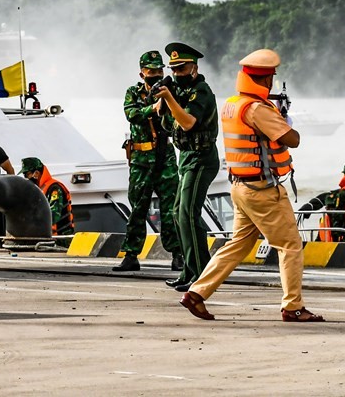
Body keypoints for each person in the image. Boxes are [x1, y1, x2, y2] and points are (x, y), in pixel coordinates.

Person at [180, 49, 324, 322]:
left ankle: (196, 293)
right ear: (266, 80)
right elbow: (291, 139)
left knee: (239, 244)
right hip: (262, 190)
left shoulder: (234, 104)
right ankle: (293, 306)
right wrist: (285, 120)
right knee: (290, 245)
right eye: (270, 77)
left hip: (240, 187)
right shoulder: (258, 109)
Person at [155, 42, 220, 291]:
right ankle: (188, 271)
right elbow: (167, 126)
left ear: (194, 67)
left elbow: (188, 123)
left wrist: (169, 98)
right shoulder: (178, 92)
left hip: (202, 158)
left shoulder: (200, 91)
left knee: (189, 215)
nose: (178, 74)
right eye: (174, 70)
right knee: (177, 214)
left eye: (182, 69)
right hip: (186, 158)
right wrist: (162, 104)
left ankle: (201, 275)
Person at [113, 50, 182, 272]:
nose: (155, 74)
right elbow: (131, 114)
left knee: (171, 209)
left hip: (165, 158)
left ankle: (177, 254)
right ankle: (131, 254)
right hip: (141, 159)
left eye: (158, 71)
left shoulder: (169, 91)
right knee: (137, 209)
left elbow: (175, 120)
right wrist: (152, 107)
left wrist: (166, 101)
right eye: (151, 71)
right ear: (142, 73)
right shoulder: (133, 92)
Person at [20, 157, 75, 244]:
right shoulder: (39, 189)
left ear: (36, 173)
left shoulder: (54, 188)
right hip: (47, 238)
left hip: (61, 239)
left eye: (27, 174)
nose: (26, 178)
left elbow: (53, 216)